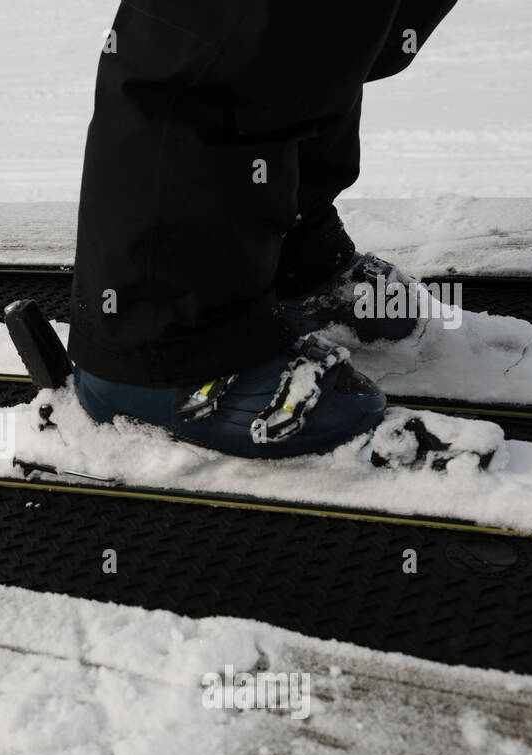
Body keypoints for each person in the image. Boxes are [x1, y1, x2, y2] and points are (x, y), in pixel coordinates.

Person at [69, 0, 458, 457]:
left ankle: (289, 257)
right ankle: (164, 335)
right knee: (233, 31)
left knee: (340, 26)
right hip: (168, 336)